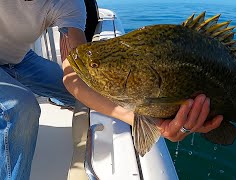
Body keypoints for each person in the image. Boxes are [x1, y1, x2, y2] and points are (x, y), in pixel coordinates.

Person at [0, 0, 223, 179]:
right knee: (20, 108)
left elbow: (76, 71)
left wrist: (141, 118)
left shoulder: (69, 3)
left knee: (81, 95)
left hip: (21, 60)